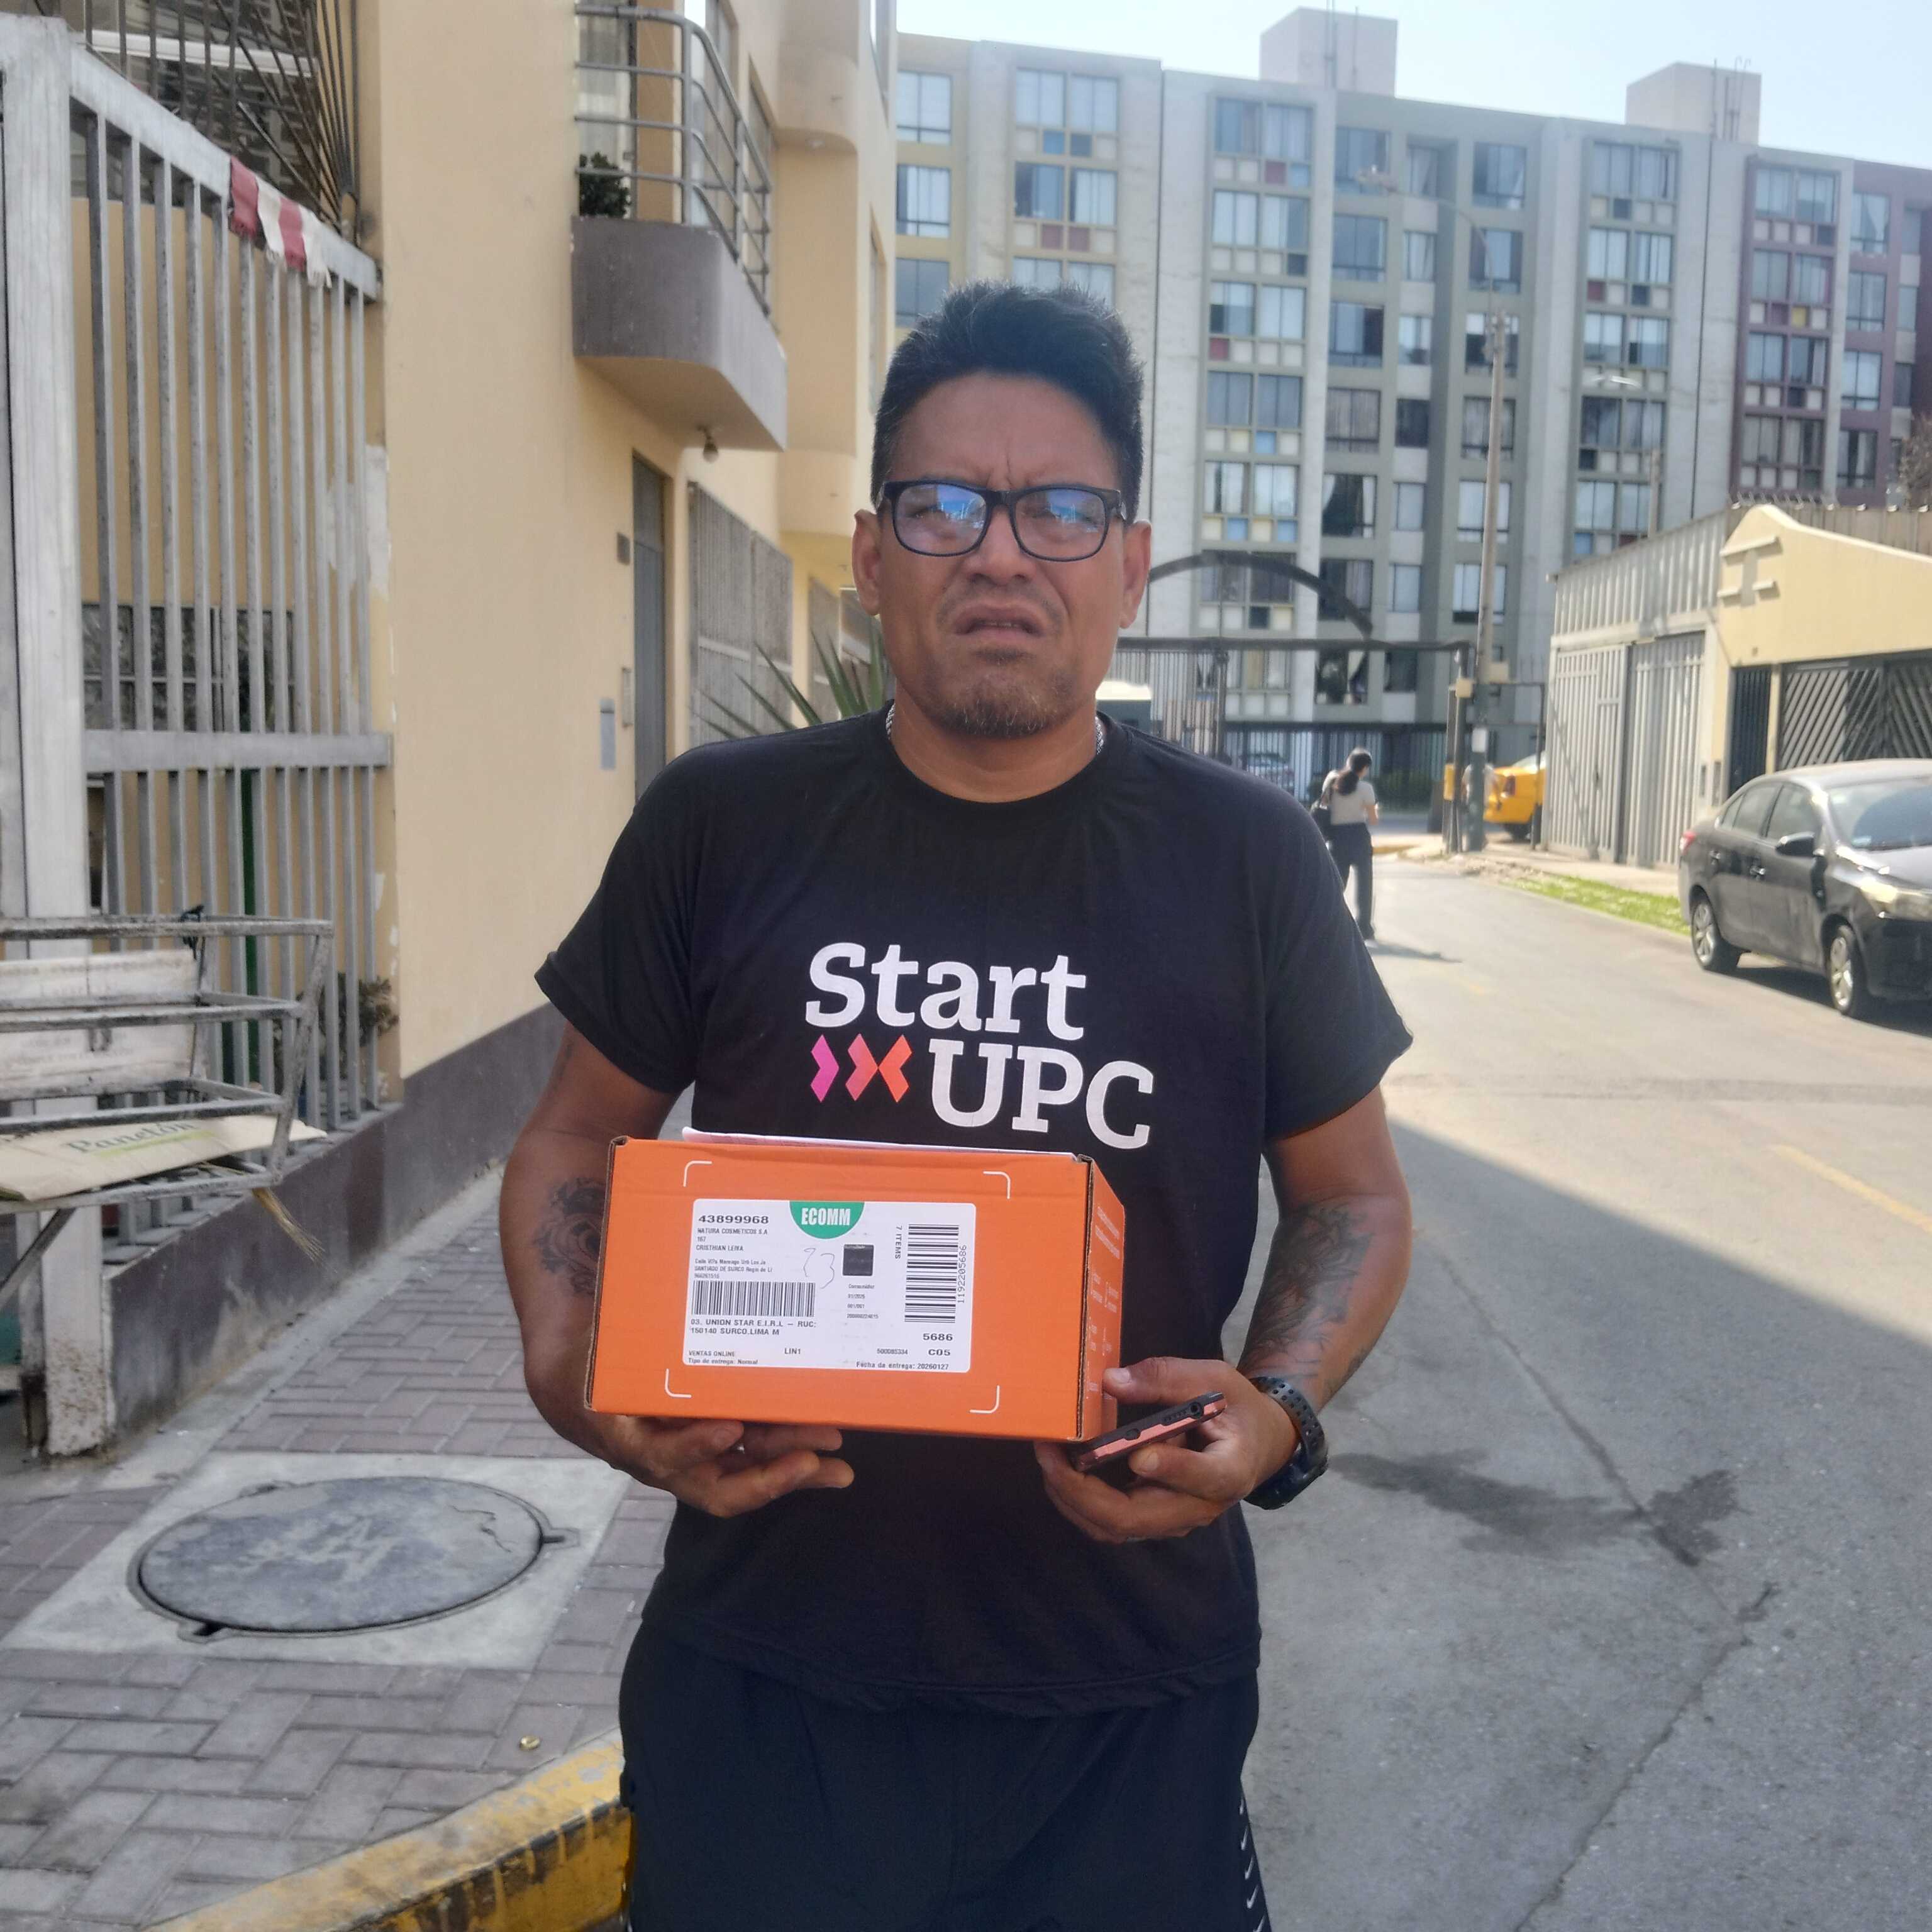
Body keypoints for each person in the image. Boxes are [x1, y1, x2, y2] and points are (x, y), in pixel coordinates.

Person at [500, 281, 1413, 1932]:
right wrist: (578, 1379)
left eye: (1061, 509)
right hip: (766, 1682)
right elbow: (577, 1130)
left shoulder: (1251, 860)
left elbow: (1352, 1193)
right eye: (943, 506)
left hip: (1123, 1697)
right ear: (872, 555)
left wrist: (1276, 1409)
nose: (1001, 554)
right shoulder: (722, 826)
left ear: (1129, 564)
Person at [1321, 748, 1379, 940]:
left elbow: (1324, 805)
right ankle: (1364, 927)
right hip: (1359, 837)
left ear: (1348, 763)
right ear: (1365, 768)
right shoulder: (1366, 789)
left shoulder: (1332, 782)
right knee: (1365, 884)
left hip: (1337, 838)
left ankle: (1328, 922)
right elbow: (1373, 820)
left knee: (1337, 883)